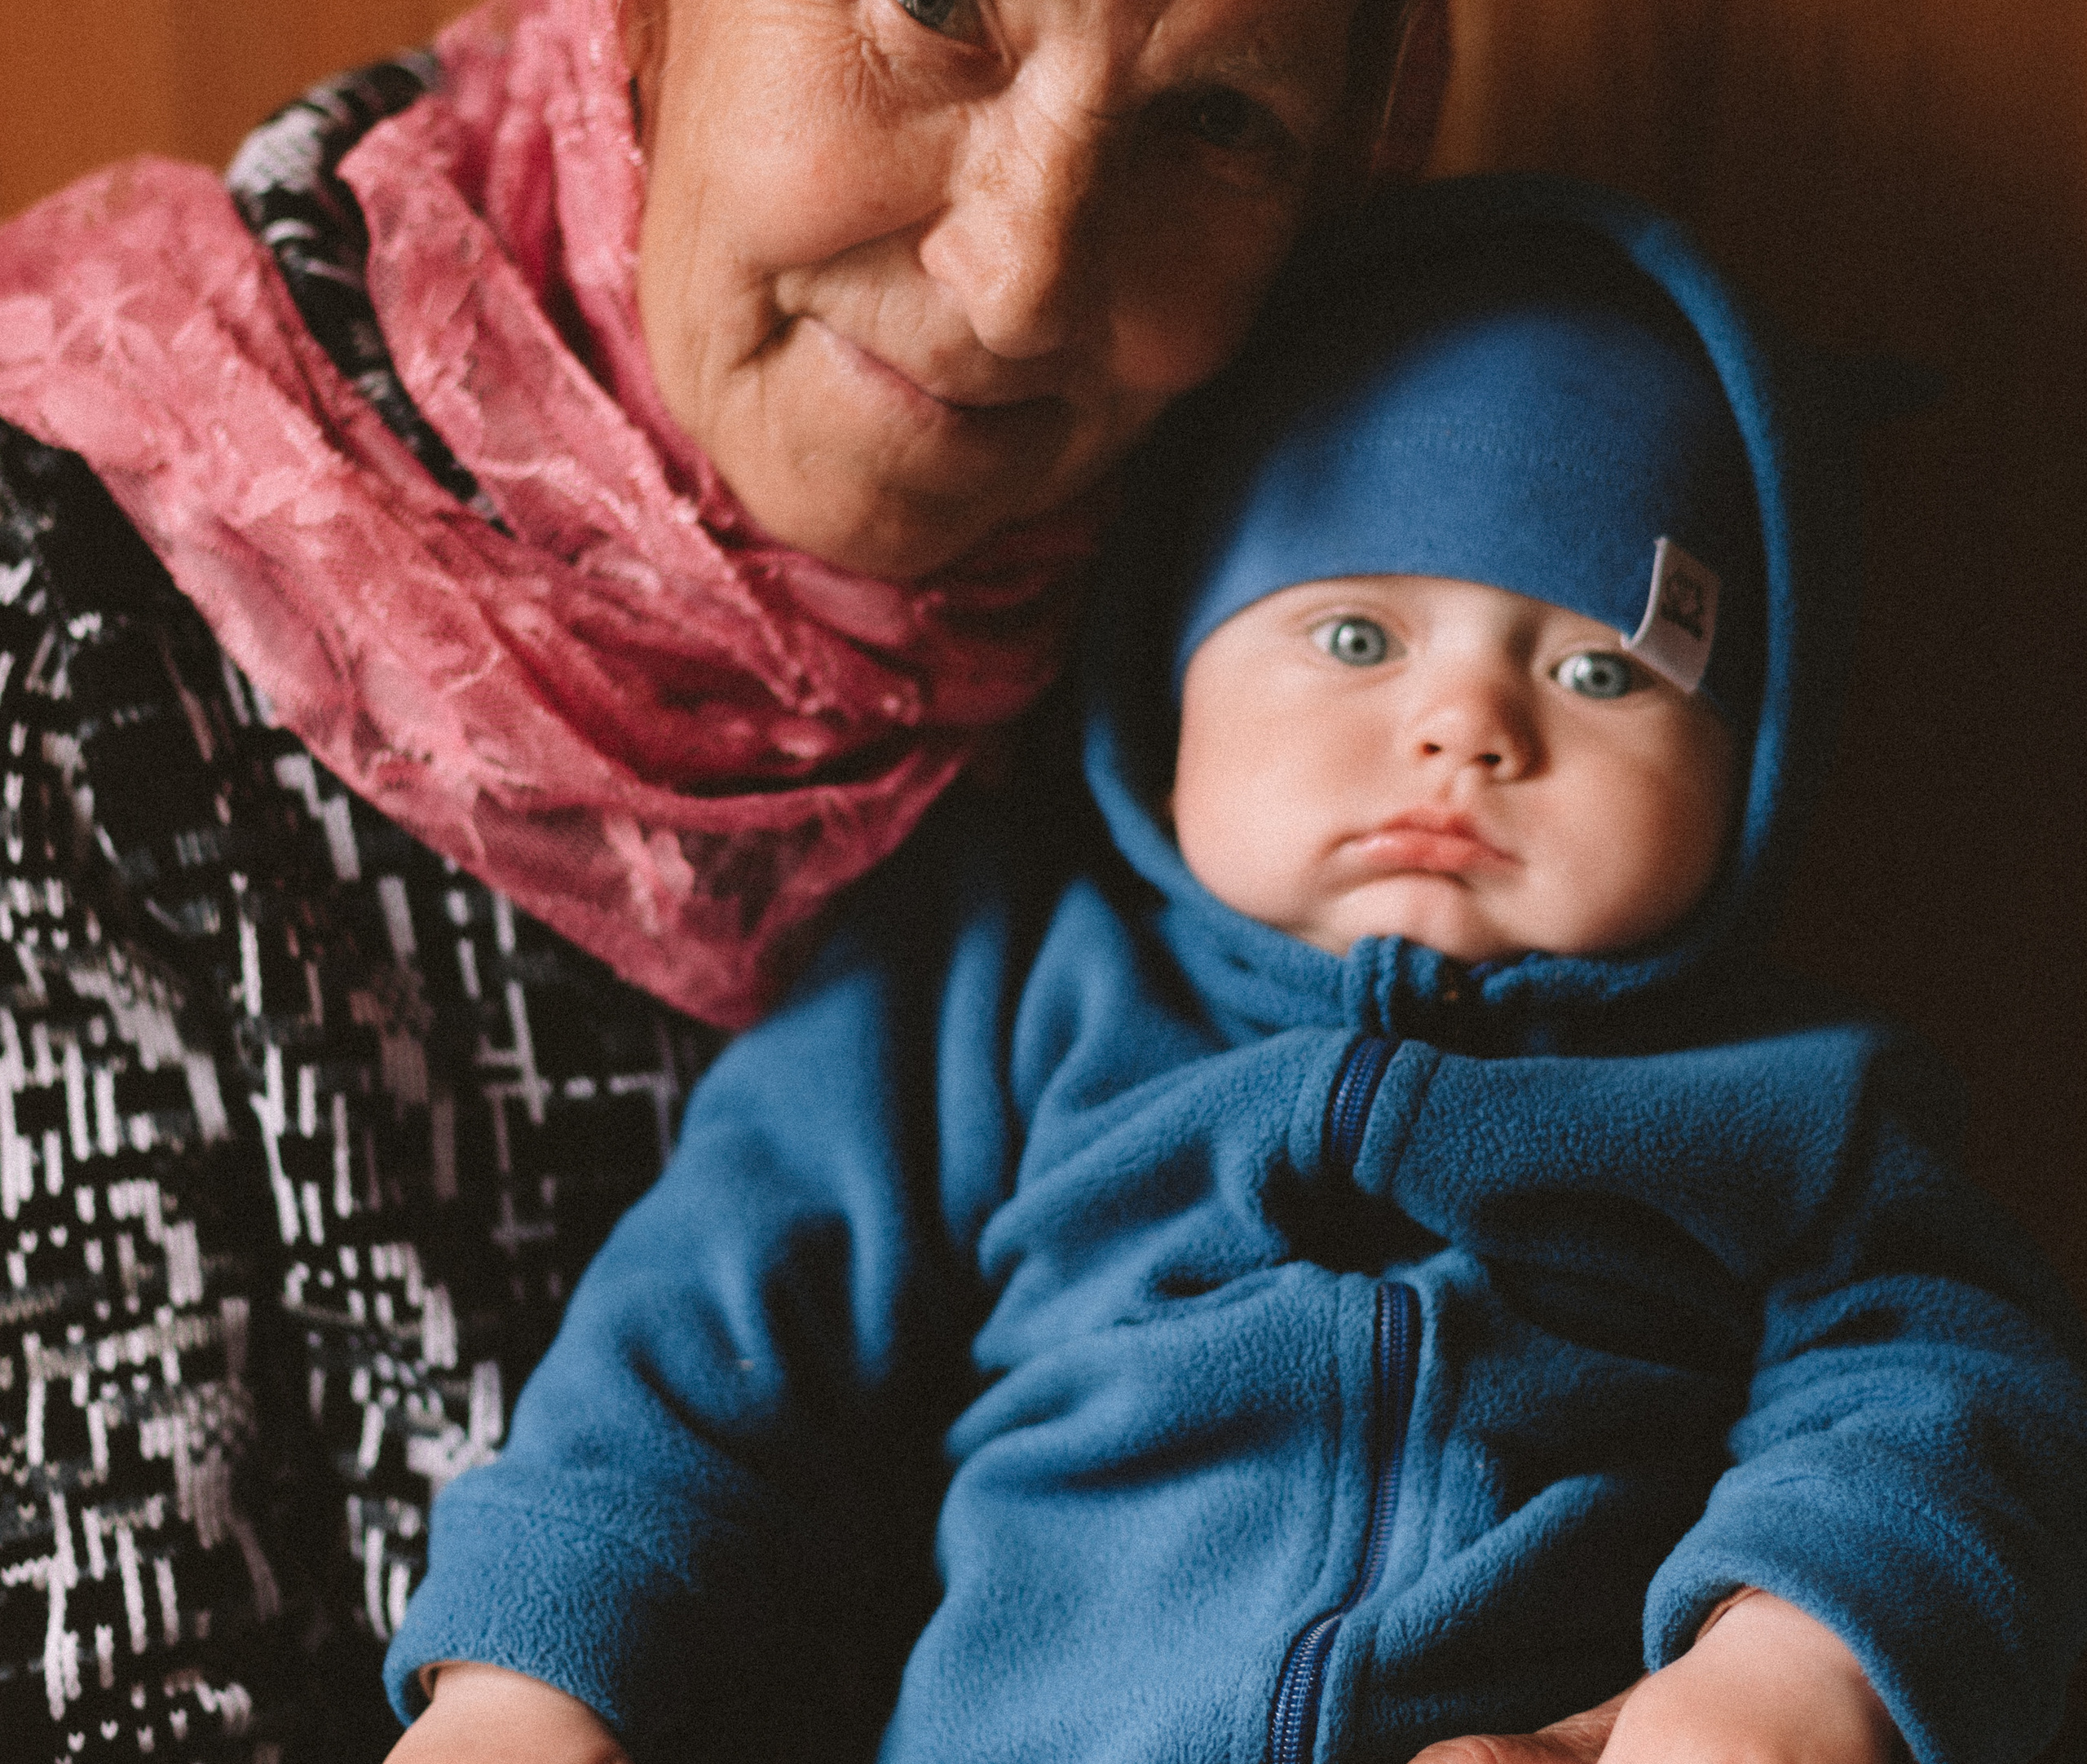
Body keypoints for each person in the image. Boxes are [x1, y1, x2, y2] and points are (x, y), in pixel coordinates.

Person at [0, 0, 1462, 1758]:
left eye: (1217, 122)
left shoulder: (1284, 688)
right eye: (933, 6)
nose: (1022, 275)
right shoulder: (69, 608)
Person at [378, 177, 2087, 1764]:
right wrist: (521, 1676)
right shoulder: (1000, 990)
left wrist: (1785, 1661)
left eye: (1598, 671)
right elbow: (706, 1323)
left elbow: (1943, 1385)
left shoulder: (1797, 1096)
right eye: (1353, 636)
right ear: (1167, 671)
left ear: (1757, 772)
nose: (1462, 725)